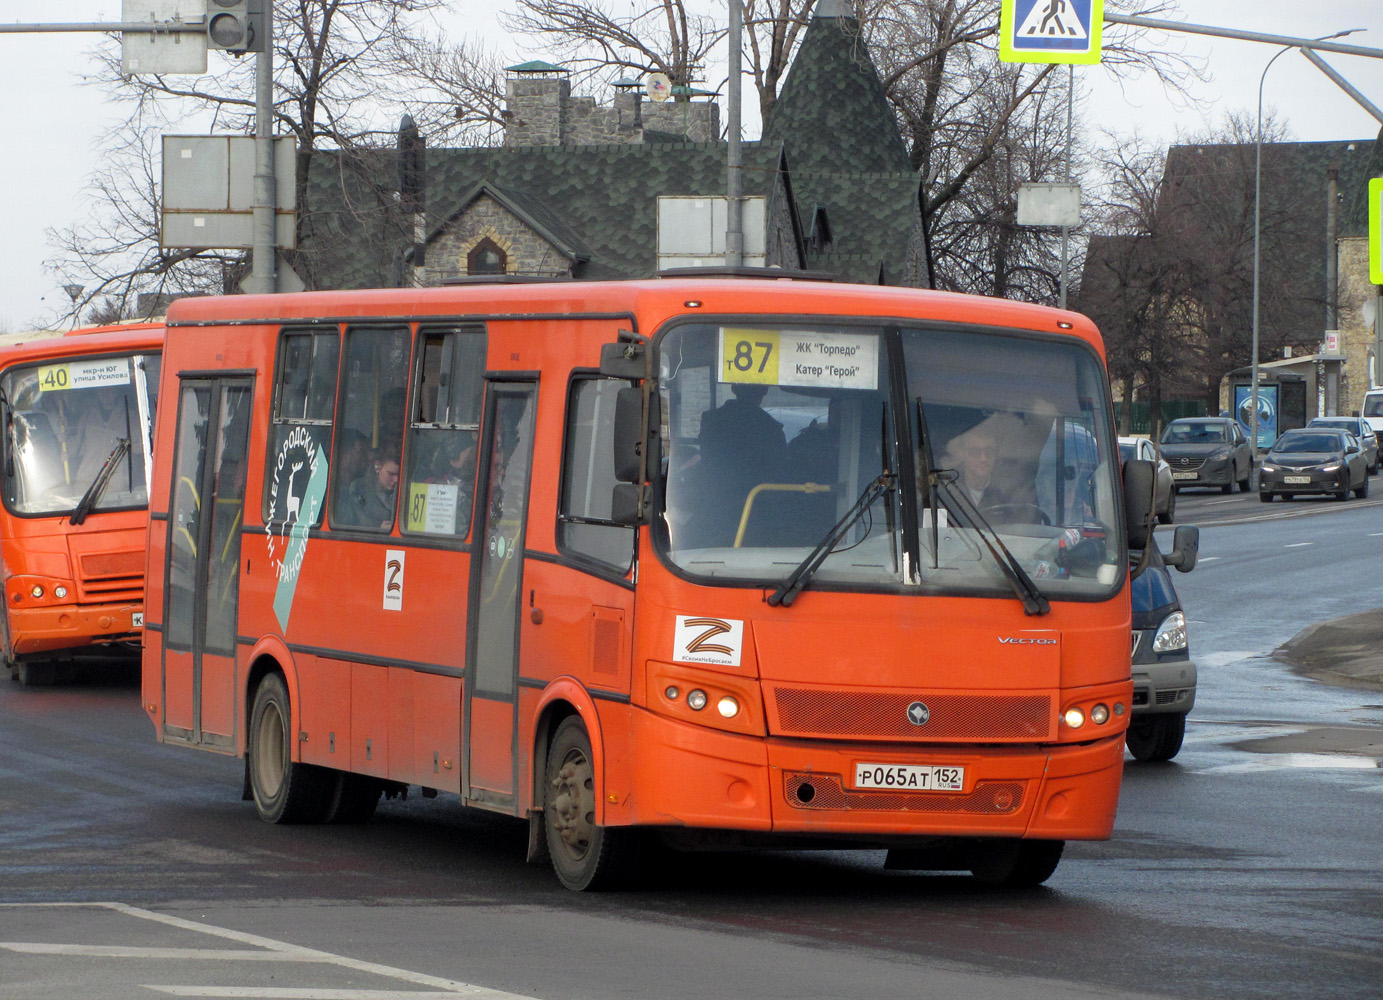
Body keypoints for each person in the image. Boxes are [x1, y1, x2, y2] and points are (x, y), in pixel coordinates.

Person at [687, 383, 788, 546]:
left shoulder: (711, 420)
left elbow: (708, 459)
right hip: (759, 512)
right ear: (765, 390)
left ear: (733, 388)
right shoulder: (771, 428)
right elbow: (781, 472)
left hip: (713, 506)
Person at [346, 451, 400, 528]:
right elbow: (356, 520)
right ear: (377, 466)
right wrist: (378, 528)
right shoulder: (359, 489)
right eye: (391, 474)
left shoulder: (403, 492)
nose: (396, 480)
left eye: (399, 475)